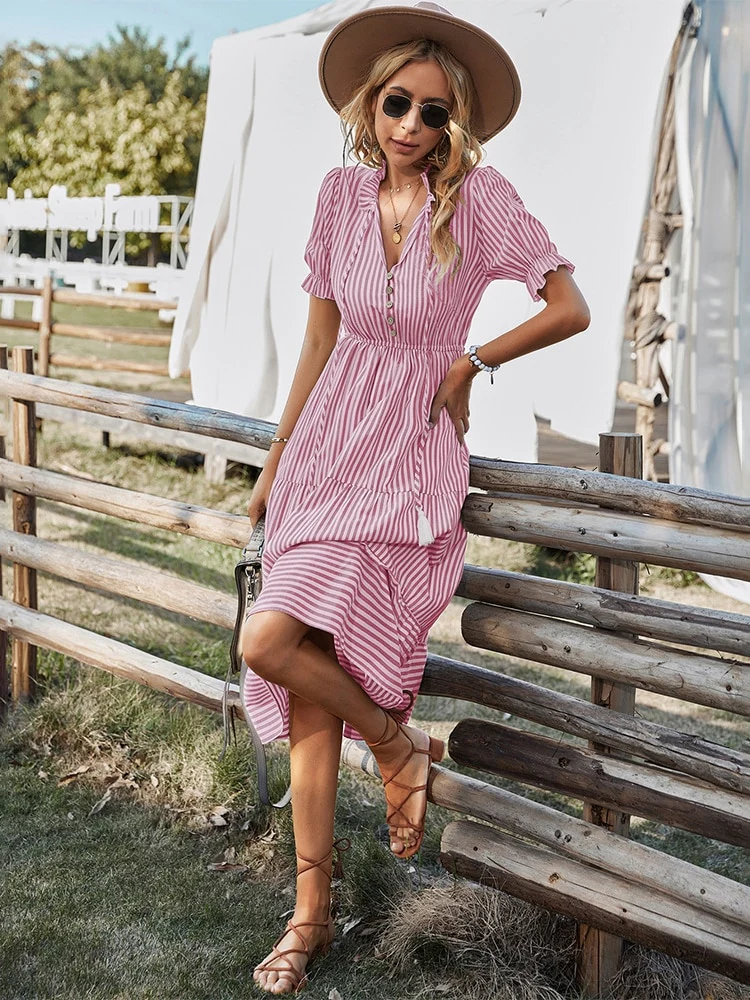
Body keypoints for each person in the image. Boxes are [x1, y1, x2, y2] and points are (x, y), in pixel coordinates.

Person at [240, 2, 590, 993]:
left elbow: (568, 305)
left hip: (405, 452)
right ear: (370, 103)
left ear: (454, 123)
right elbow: (319, 338)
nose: (410, 125)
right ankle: (317, 900)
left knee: (275, 645)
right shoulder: (337, 195)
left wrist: (472, 360)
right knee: (293, 665)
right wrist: (275, 461)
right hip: (326, 450)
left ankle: (388, 766)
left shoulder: (480, 200)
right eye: (397, 102)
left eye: (434, 112)